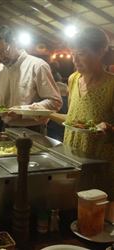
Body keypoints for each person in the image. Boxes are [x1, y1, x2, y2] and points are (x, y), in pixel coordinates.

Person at [49, 26, 114, 200]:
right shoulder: (73, 79)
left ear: (100, 52)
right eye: (73, 53)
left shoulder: (111, 86)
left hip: (99, 165)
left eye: (82, 53)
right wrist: (46, 114)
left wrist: (108, 127)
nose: (75, 60)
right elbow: (72, 119)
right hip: (71, 159)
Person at [0, 25, 62, 135]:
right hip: (6, 128)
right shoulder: (0, 70)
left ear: (14, 43)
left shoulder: (37, 66)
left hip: (33, 130)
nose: (1, 57)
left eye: (4, 50)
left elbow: (55, 102)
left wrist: (22, 111)